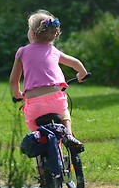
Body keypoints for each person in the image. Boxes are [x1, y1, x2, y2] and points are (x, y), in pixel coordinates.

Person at [9, 9, 89, 149]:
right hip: (56, 100)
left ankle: (40, 154)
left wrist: (18, 95)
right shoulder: (54, 51)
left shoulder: (22, 52)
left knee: (34, 129)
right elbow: (76, 63)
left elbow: (13, 80)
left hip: (34, 104)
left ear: (32, 34)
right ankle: (68, 135)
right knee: (64, 114)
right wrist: (82, 75)